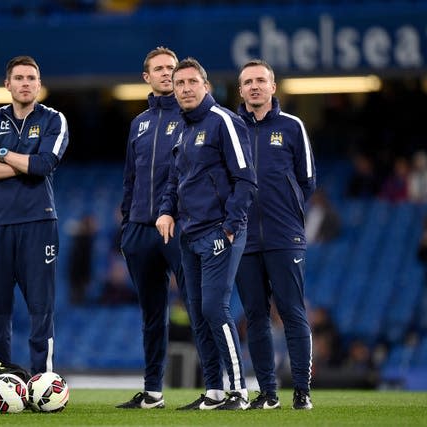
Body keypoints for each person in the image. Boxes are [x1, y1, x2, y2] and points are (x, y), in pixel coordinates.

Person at [117, 47, 224, 411]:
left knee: (198, 308)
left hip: (181, 228)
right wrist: (126, 223)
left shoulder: (195, 119)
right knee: (151, 314)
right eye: (159, 69)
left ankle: (214, 389)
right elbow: (130, 178)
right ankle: (152, 392)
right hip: (139, 229)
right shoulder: (139, 123)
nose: (167, 74)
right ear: (146, 77)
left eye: (172, 69)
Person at [156, 57, 258, 410]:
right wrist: (166, 211)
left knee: (215, 308)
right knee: (199, 314)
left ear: (206, 86)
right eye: (178, 83)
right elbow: (174, 180)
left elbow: (245, 179)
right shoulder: (181, 129)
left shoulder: (223, 121)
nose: (184, 89)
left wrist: (230, 227)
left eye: (191, 82)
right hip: (189, 234)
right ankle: (214, 391)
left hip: (219, 231)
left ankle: (239, 392)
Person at [0, 56, 69, 376]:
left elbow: (44, 166)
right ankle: (0, 377)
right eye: (19, 78)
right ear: (7, 84)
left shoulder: (54, 119)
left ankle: (42, 379)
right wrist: (24, 162)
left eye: (31, 78)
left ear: (39, 84)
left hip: (38, 223)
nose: (25, 83)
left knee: (41, 309)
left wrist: (3, 154)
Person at [235, 59, 316, 410]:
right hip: (244, 238)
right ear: (240, 90)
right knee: (254, 316)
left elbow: (307, 180)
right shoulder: (231, 128)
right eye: (248, 81)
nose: (254, 86)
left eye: (260, 80)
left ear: (273, 87)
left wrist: (287, 212)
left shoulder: (293, 126)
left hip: (285, 237)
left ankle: (302, 391)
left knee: (293, 312)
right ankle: (267, 392)